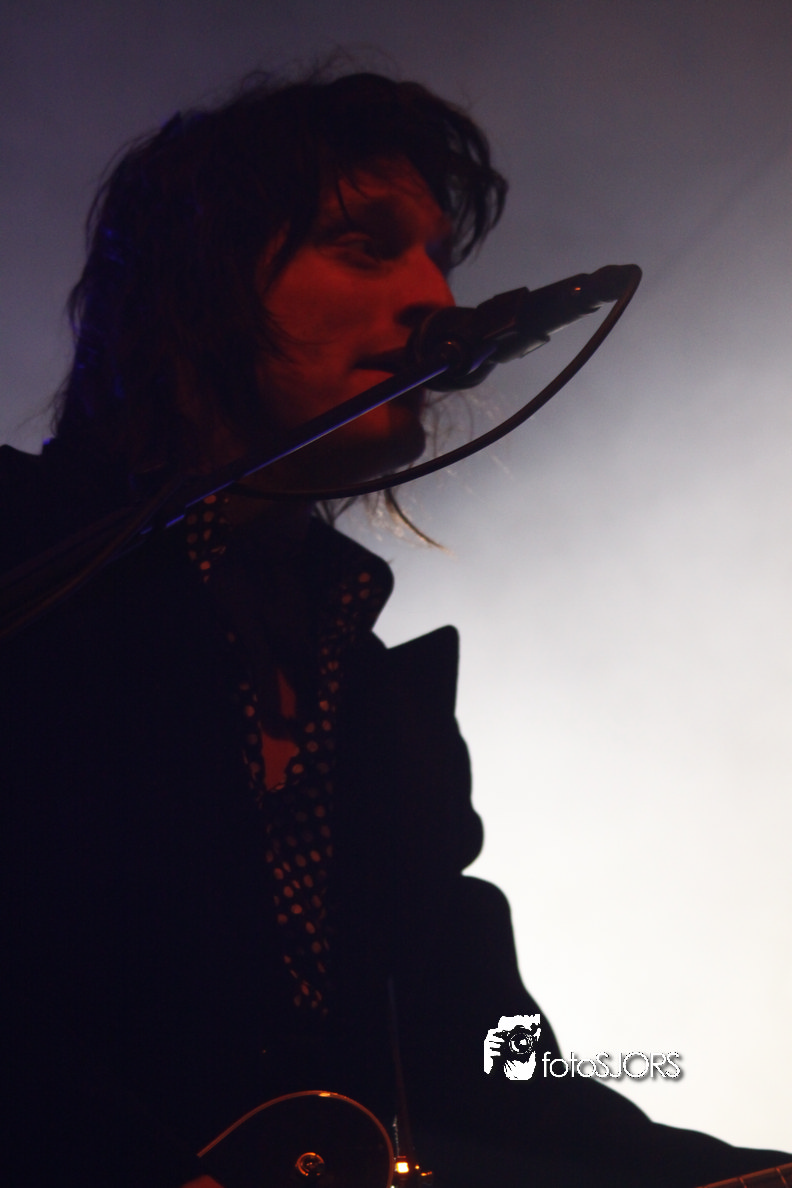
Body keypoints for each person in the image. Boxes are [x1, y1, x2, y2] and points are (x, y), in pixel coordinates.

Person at [1, 68, 788, 1188]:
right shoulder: (27, 564)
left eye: (438, 259)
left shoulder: (375, 702)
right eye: (364, 246)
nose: (431, 295)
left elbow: (492, 1072)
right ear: (192, 286)